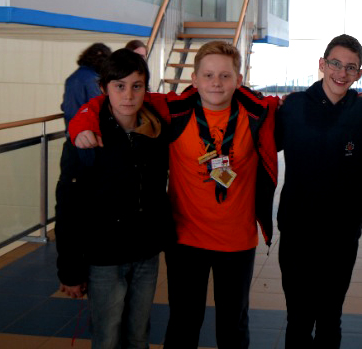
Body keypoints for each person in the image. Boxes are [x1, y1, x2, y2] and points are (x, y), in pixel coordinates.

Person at [69, 41, 278, 349]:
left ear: (239, 79)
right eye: (208, 75)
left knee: (233, 326)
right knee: (183, 324)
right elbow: (112, 97)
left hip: (237, 241)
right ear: (194, 79)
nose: (216, 83)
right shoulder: (173, 109)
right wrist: (81, 123)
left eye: (224, 76)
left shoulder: (259, 113)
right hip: (186, 239)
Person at [276, 34, 362, 349]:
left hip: (341, 236)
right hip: (297, 233)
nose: (341, 72)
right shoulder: (293, 107)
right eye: (335, 63)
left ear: (359, 74)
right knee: (298, 319)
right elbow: (256, 141)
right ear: (322, 64)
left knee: (329, 318)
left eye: (351, 67)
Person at [55, 48, 173, 349]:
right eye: (119, 86)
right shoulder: (87, 138)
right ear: (104, 88)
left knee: (138, 335)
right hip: (103, 256)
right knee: (106, 337)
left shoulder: (157, 131)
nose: (128, 95)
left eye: (136, 86)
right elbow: (68, 208)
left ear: (146, 88)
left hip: (145, 252)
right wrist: (70, 269)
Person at [61, 42, 111, 126]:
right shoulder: (93, 79)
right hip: (87, 129)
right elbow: (99, 107)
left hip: (71, 127)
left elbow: (64, 106)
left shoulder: (71, 78)